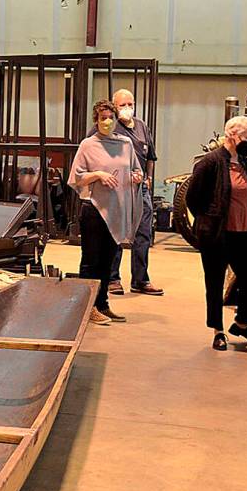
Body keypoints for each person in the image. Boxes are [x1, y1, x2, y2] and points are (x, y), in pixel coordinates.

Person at [185, 115, 247, 350]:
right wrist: (208, 220)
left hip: (244, 233)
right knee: (215, 282)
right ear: (232, 135)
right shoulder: (210, 163)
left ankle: (242, 323)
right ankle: (218, 330)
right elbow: (193, 198)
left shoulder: (245, 164)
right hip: (218, 234)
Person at [68, 100, 144, 325]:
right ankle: (87, 307)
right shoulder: (88, 145)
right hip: (94, 209)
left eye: (111, 117)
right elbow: (76, 177)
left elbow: (135, 170)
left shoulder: (126, 144)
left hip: (117, 209)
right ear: (96, 121)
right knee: (91, 260)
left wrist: (136, 178)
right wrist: (98, 174)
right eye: (103, 118)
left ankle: (102, 304)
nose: (107, 122)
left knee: (108, 261)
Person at [108, 89, 162, 296]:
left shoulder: (141, 126)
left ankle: (140, 279)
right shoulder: (110, 126)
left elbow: (151, 157)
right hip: (119, 190)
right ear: (115, 107)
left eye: (130, 104)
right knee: (117, 233)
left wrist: (148, 179)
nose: (127, 108)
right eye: (122, 105)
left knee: (143, 234)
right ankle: (113, 278)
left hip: (141, 189)